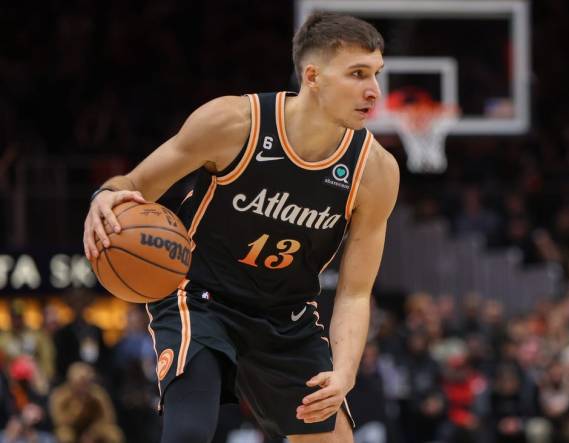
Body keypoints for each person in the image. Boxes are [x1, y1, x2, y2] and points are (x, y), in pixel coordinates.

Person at [82, 11, 398, 443]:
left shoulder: (375, 171)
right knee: (188, 433)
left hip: (287, 317)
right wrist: (103, 198)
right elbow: (134, 185)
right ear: (313, 76)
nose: (374, 90)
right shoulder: (233, 123)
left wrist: (344, 371)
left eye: (377, 73)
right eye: (358, 74)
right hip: (201, 296)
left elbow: (356, 291)